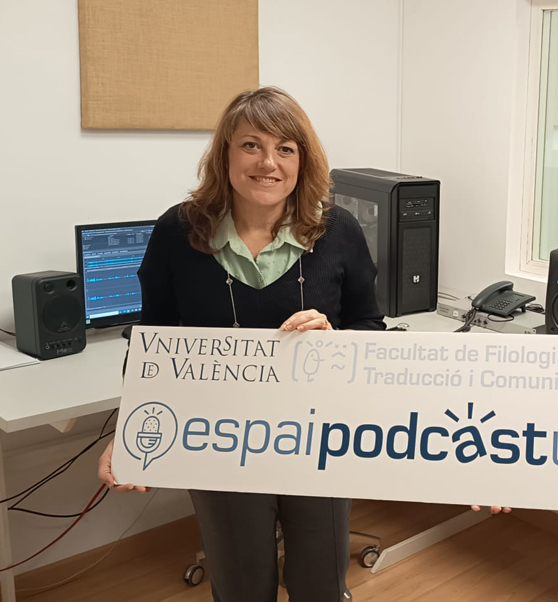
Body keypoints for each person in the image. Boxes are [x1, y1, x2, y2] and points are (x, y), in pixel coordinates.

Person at [98, 86, 385, 602]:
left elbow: (369, 327)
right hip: (218, 441)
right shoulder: (177, 231)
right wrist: (130, 429)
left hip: (317, 439)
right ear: (225, 155)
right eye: (251, 145)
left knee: (320, 585)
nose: (268, 163)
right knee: (239, 586)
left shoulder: (338, 230)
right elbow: (152, 341)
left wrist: (335, 341)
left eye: (285, 149)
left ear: (302, 160)